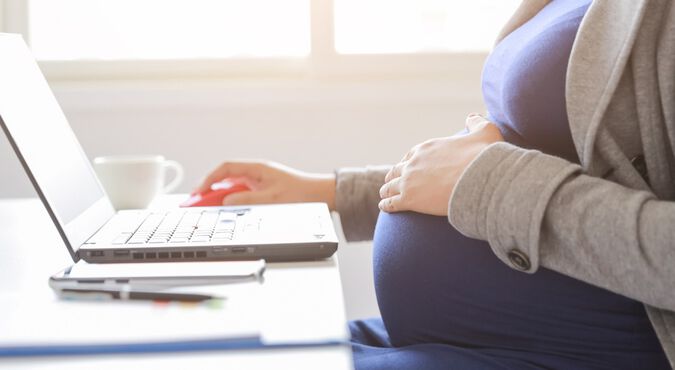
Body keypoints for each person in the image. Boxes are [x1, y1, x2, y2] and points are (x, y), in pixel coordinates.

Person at [194, 0, 675, 368]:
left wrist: (488, 182)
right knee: (214, 345)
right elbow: (530, 157)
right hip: (473, 335)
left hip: (565, 350)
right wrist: (335, 192)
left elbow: (490, 174)